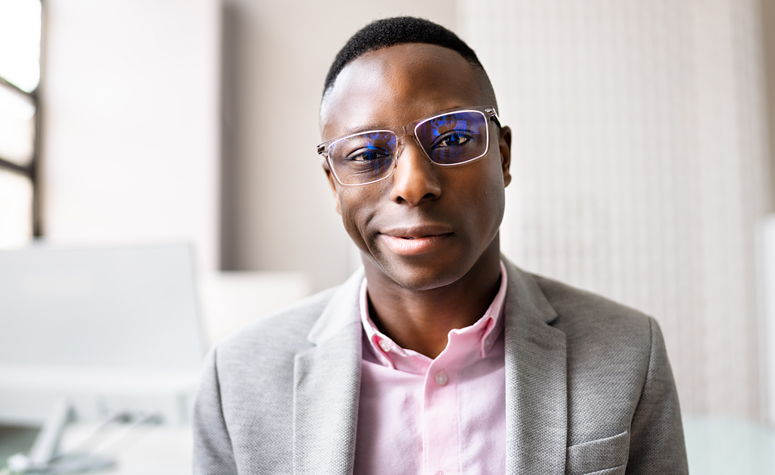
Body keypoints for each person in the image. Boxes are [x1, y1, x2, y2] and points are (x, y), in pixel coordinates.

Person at [193, 17, 688, 475]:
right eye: (367, 153)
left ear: (503, 157)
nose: (413, 185)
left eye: (451, 139)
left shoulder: (629, 351)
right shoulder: (236, 380)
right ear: (333, 184)